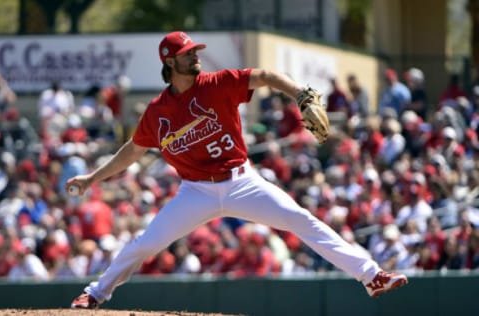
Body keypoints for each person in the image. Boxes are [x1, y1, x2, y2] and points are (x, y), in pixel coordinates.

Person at [69, 31, 408, 309]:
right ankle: (95, 293)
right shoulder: (157, 111)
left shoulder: (217, 83)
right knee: (146, 242)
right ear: (169, 61)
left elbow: (265, 76)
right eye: (187, 53)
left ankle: (370, 276)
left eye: (194, 50)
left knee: (302, 219)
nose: (195, 56)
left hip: (241, 181)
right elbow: (133, 150)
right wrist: (92, 178)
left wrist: (299, 93)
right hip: (195, 191)